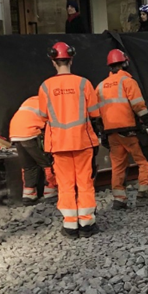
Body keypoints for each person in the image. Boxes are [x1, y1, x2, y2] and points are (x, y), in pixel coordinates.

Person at [39, 42, 103, 238]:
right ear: (71, 59)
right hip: (82, 142)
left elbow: (43, 116)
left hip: (58, 144)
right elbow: (94, 113)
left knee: (65, 184)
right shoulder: (84, 83)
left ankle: (70, 225)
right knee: (84, 182)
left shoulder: (45, 86)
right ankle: (87, 224)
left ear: (53, 61)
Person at [97, 49, 148, 209]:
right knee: (145, 161)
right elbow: (139, 107)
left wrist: (103, 132)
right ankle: (144, 194)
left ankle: (119, 199)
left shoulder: (101, 86)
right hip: (130, 131)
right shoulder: (128, 82)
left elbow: (96, 113)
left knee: (118, 165)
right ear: (125, 63)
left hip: (111, 133)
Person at [8, 95, 58, 206]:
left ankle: (29, 194)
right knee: (47, 162)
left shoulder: (31, 100)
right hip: (30, 133)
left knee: (28, 165)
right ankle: (50, 190)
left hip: (15, 133)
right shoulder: (50, 103)